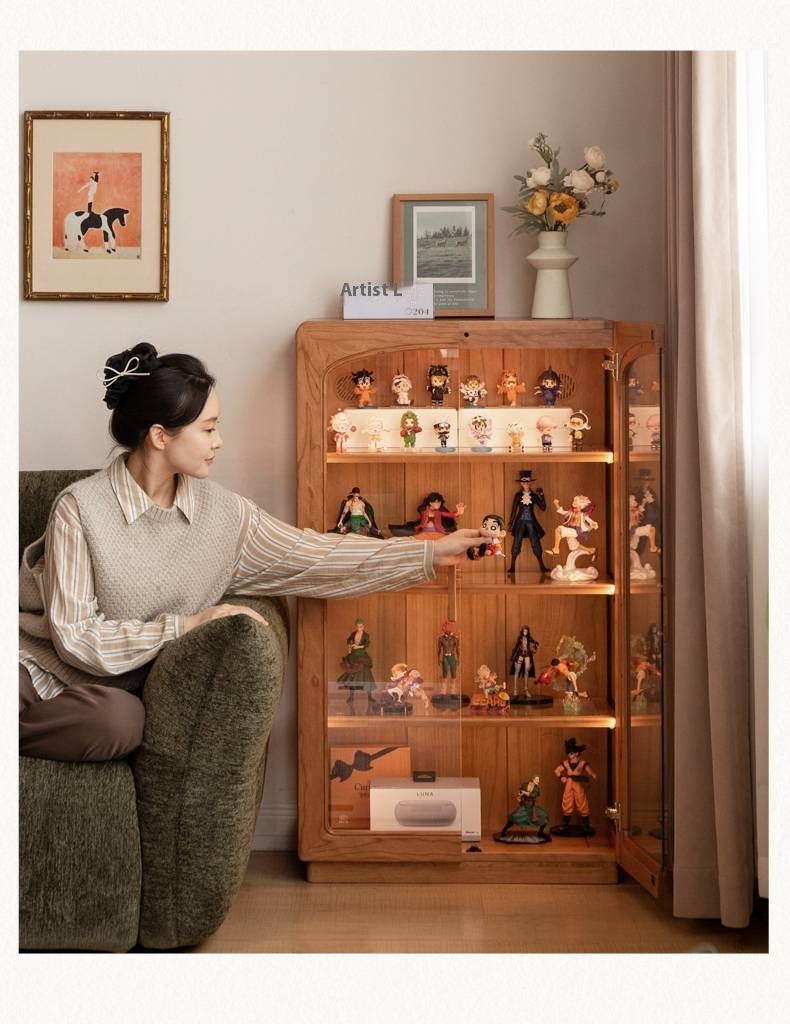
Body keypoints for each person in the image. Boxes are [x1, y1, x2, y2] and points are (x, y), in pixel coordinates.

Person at [18, 342, 489, 762]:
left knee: (119, 723)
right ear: (161, 436)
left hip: (100, 700)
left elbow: (314, 556)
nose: (219, 442)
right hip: (33, 668)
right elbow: (74, 637)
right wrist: (184, 626)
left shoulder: (225, 518)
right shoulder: (80, 509)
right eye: (208, 429)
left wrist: (426, 554)